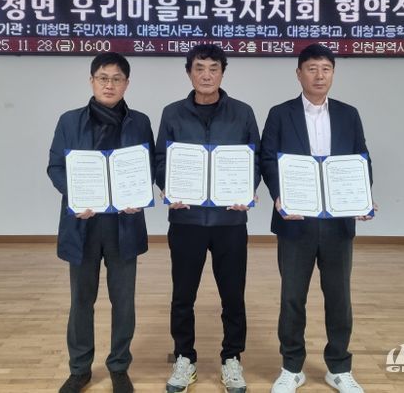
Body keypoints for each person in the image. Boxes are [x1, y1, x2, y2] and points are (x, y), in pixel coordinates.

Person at [260, 44, 373, 393]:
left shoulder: (348, 114)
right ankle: (291, 367)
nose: (319, 75)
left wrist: (362, 196)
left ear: (333, 73)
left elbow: (361, 158)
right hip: (295, 221)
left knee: (339, 296)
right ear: (299, 74)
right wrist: (279, 195)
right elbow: (267, 159)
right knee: (292, 297)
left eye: (326, 68)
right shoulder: (280, 113)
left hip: (338, 223)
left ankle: (339, 367)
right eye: (312, 68)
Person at [155, 44, 261, 393]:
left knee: (233, 295)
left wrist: (247, 189)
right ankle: (184, 357)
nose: (206, 75)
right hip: (186, 220)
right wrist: (169, 187)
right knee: (182, 295)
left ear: (222, 73)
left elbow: (254, 159)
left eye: (213, 68)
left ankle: (232, 358)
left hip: (230, 222)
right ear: (189, 72)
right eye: (199, 68)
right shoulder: (172, 113)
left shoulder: (242, 112)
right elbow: (161, 159)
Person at [47, 52, 155, 393]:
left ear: (127, 83)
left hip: (124, 225)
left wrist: (139, 195)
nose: (110, 84)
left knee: (123, 302)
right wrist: (75, 196)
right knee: (81, 300)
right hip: (83, 225)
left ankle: (119, 366)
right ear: (92, 81)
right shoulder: (69, 121)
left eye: (117, 79)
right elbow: (55, 167)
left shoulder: (140, 122)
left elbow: (148, 167)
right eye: (103, 78)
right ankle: (79, 369)